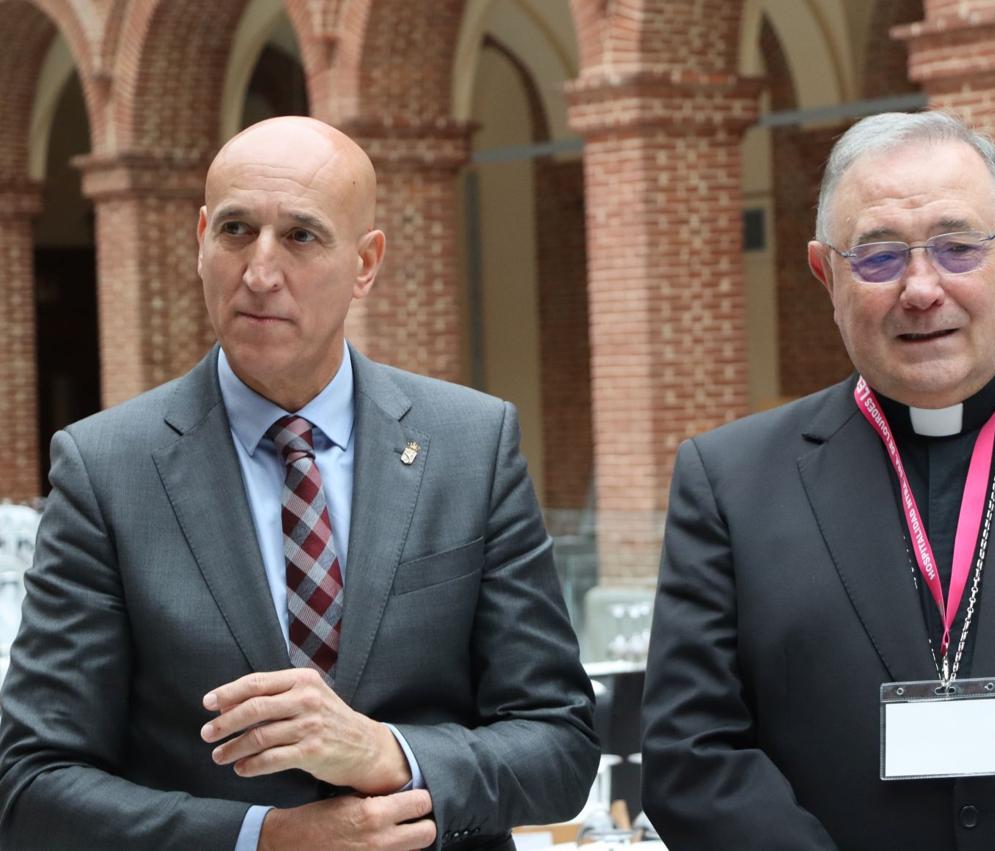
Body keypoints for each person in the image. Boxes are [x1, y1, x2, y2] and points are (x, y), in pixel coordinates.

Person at [0, 116, 598, 851]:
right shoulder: (106, 469)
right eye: (236, 230)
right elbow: (33, 783)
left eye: (301, 236)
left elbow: (561, 745)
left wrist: (390, 754)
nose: (259, 270)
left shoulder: (470, 445)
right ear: (200, 239)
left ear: (366, 262)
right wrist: (265, 838)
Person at [640, 110, 995, 849]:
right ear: (825, 272)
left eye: (958, 246)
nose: (921, 287)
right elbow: (692, 757)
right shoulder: (728, 483)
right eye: (877, 257)